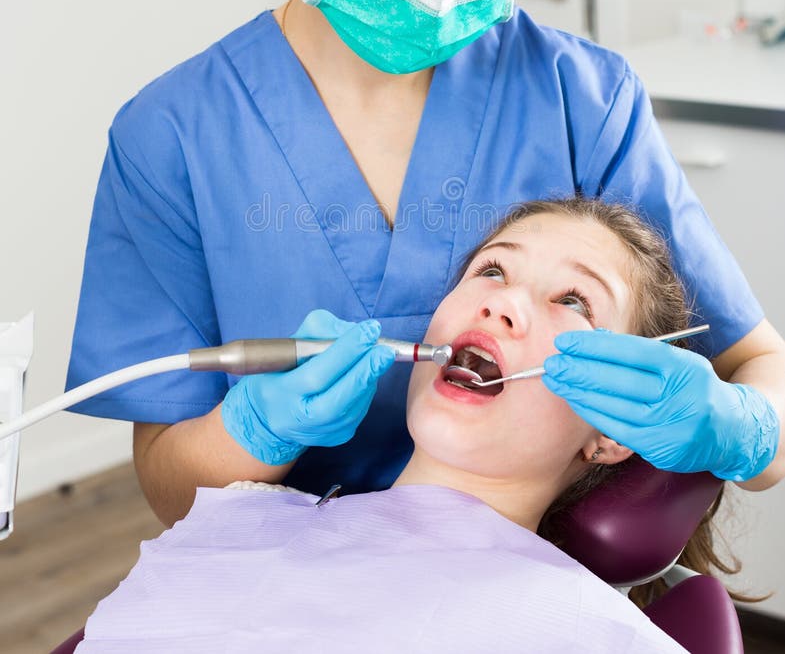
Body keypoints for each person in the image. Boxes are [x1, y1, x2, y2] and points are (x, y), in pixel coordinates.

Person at [64, 0, 783, 529]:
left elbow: (754, 365)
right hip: (286, 587)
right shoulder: (173, 135)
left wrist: (740, 430)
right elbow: (174, 492)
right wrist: (255, 432)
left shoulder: (581, 97)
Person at [75, 199, 705, 653]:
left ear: (612, 430)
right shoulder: (235, 524)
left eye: (574, 301)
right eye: (492, 270)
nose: (501, 301)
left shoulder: (593, 635)